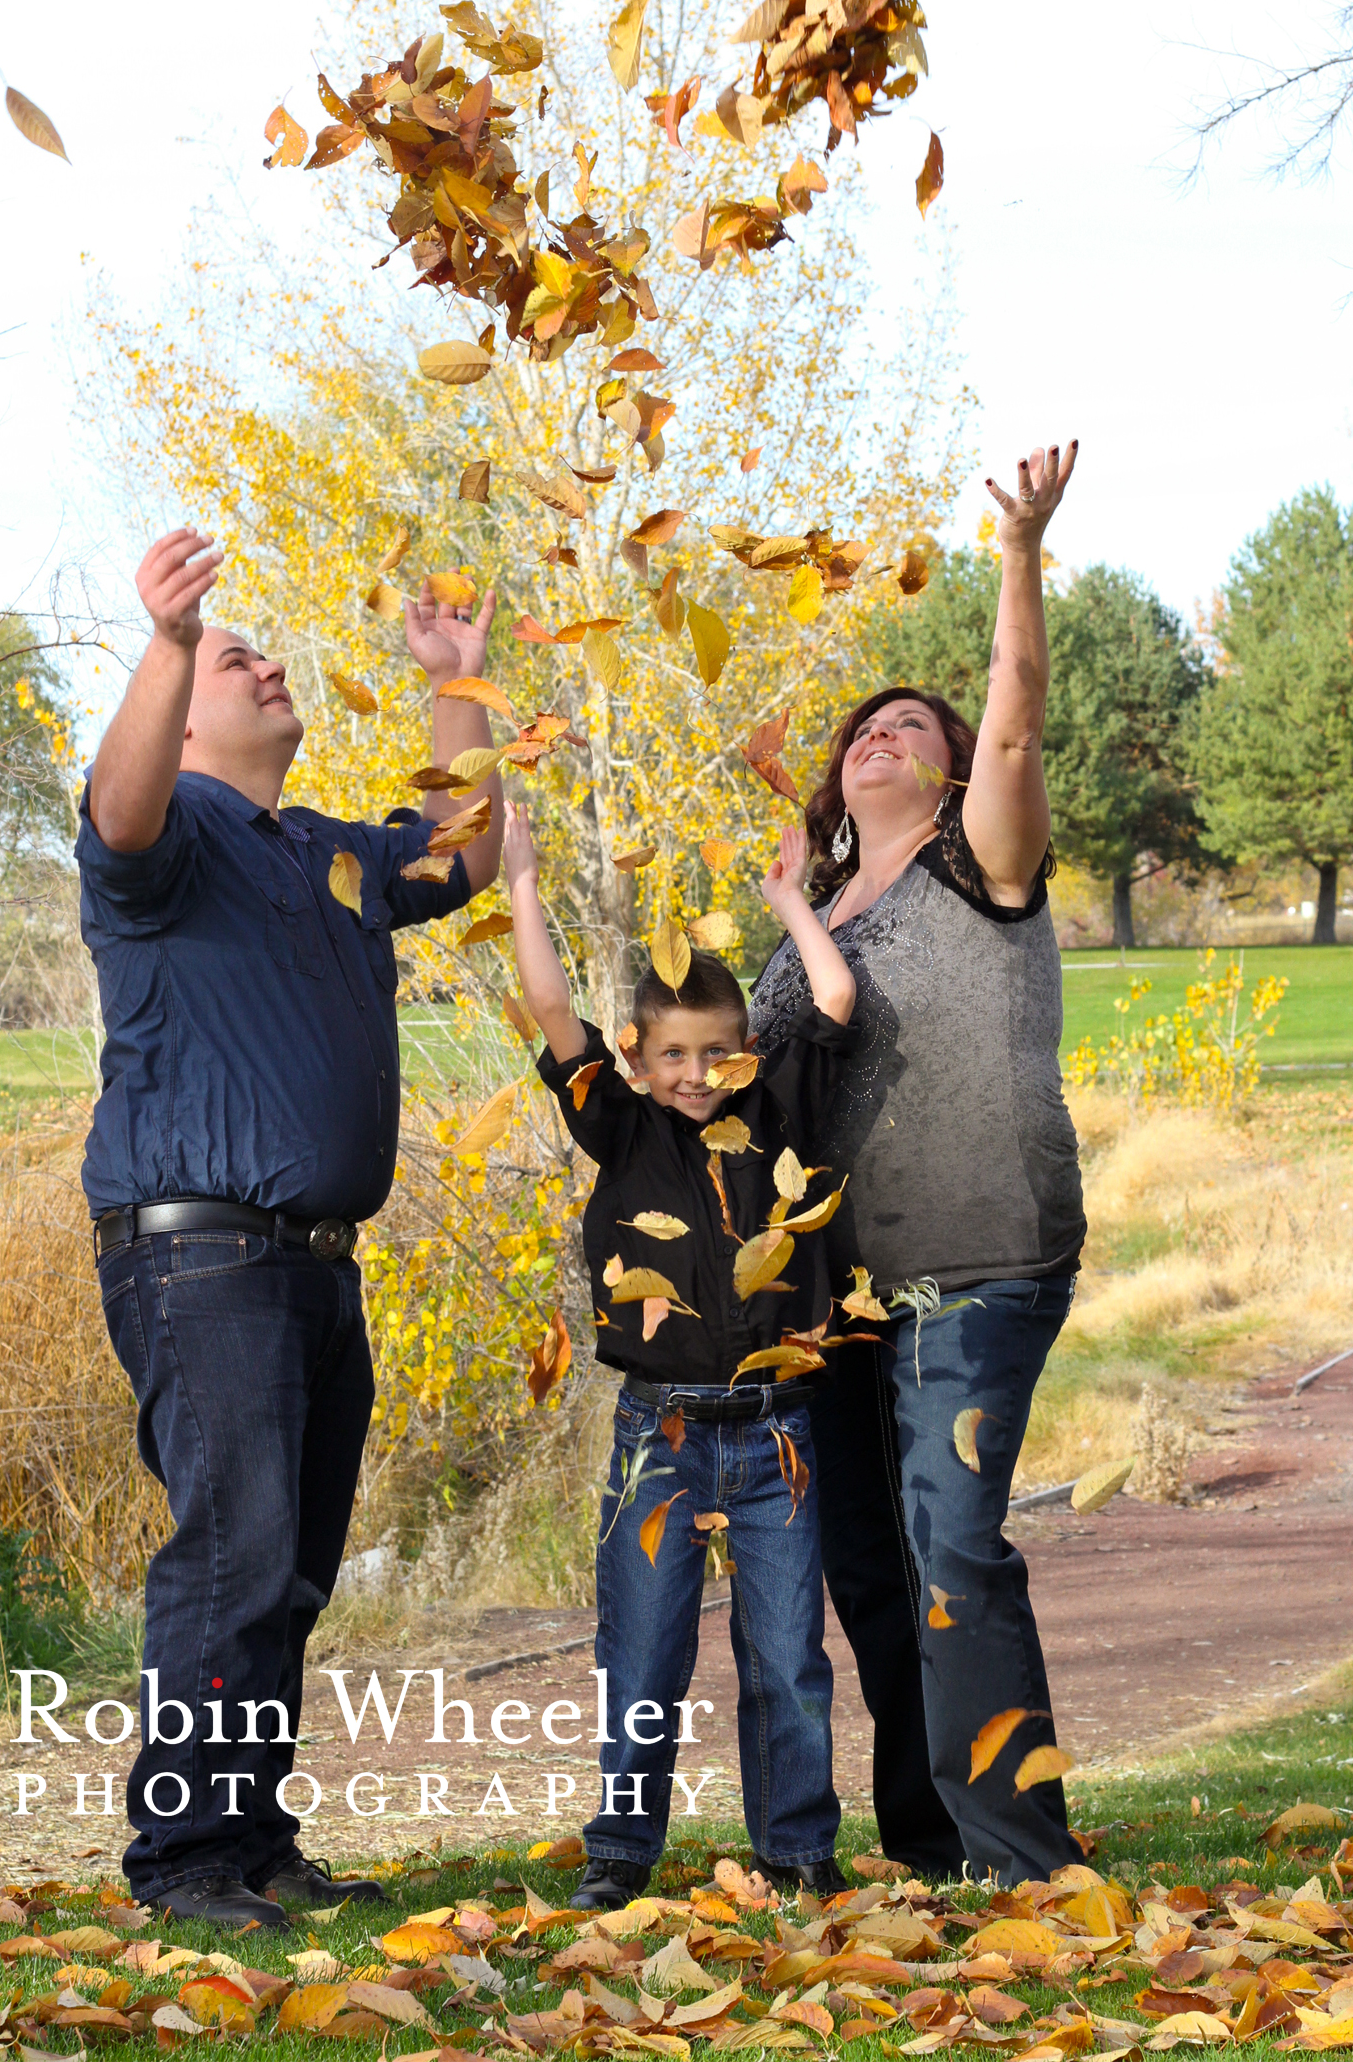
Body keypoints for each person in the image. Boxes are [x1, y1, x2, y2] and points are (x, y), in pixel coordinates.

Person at [78, 528, 502, 1925]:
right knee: (234, 1552)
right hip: (202, 1253)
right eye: (233, 657)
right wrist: (167, 641)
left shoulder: (318, 850)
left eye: (255, 650)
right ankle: (185, 1857)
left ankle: (254, 1841)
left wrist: (463, 679)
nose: (261, 661)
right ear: (182, 709)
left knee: (291, 1567)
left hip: (311, 1264)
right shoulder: (168, 835)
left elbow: (461, 854)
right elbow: (120, 811)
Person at [748, 443, 1088, 1887]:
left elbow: (1012, 733)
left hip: (977, 1259)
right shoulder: (807, 912)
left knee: (954, 1547)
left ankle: (1022, 1858)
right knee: (872, 1572)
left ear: (947, 765)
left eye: (912, 723)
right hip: (842, 1294)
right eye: (862, 727)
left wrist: (1016, 553)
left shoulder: (976, 861)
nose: (883, 733)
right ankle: (931, 1837)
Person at [503, 802, 856, 1909]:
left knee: (788, 1660)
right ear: (640, 1059)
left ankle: (795, 1852)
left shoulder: (780, 1108)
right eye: (673, 1055)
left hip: (773, 1436)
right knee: (644, 1649)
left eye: (717, 1051)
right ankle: (620, 1857)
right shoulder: (623, 1125)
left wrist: (790, 903)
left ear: (745, 1049)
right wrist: (520, 873)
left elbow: (834, 999)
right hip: (659, 1429)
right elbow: (552, 1005)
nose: (697, 1073)